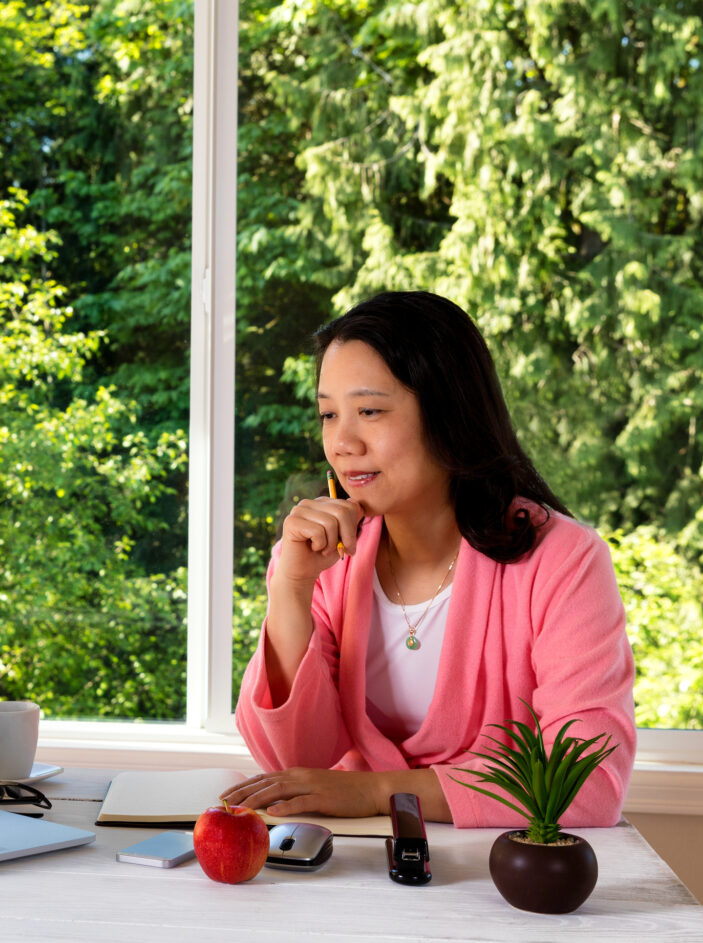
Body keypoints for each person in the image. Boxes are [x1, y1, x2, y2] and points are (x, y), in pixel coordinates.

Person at [222, 291, 636, 828]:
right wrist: (291, 589)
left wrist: (380, 792)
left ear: (448, 413)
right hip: (349, 862)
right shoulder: (321, 560)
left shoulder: (564, 561)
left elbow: (585, 782)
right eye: (328, 414)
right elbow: (295, 761)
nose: (342, 443)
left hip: (496, 876)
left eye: (369, 410)